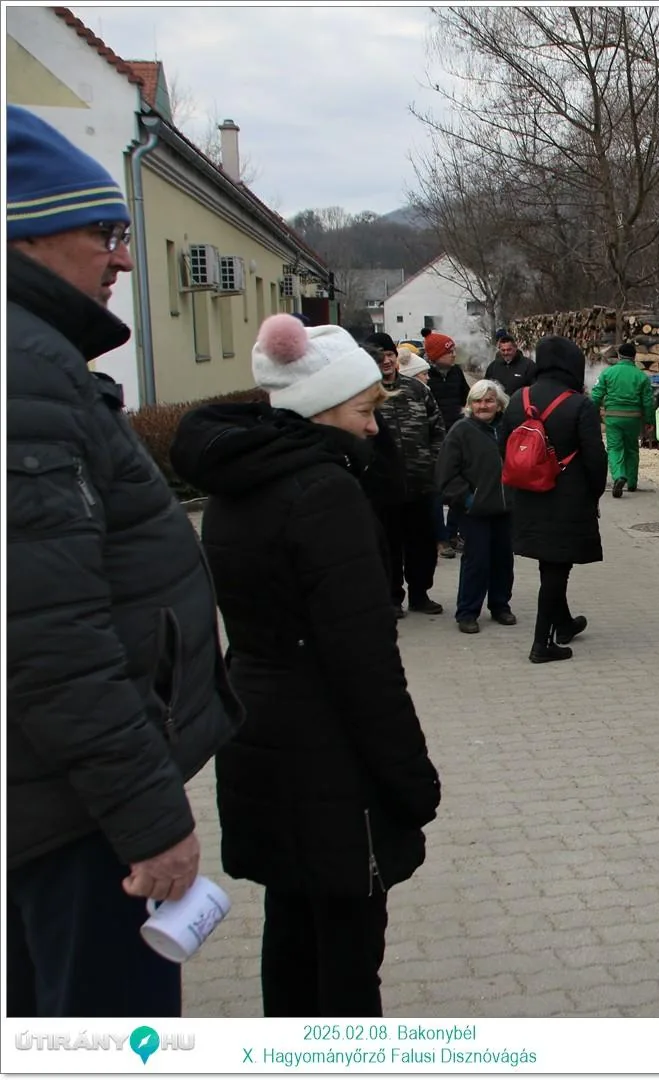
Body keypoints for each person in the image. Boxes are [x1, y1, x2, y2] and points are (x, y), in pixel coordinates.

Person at [6, 104, 242, 1018]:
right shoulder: (24, 373)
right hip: (71, 817)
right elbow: (47, 637)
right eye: (105, 234)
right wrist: (151, 821)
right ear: (24, 235)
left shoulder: (37, 364)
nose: (126, 258)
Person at [169, 313, 441, 1018]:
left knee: (292, 935)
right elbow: (363, 662)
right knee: (348, 956)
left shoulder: (240, 484)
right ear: (322, 410)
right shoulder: (323, 494)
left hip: (261, 735)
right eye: (363, 410)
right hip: (330, 759)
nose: (374, 427)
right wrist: (409, 779)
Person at [508, 337, 606, 664]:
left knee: (549, 563)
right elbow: (595, 459)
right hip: (566, 497)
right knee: (556, 568)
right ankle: (541, 644)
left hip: (525, 494)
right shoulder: (579, 404)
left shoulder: (516, 399)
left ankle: (563, 623)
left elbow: (503, 449)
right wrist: (593, 495)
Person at [364, 333, 447, 618]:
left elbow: (438, 430)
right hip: (382, 489)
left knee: (422, 544)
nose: (386, 360)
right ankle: (391, 597)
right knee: (387, 544)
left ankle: (420, 595)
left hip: (420, 483)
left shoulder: (416, 389)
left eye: (389, 354)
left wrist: (434, 464)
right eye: (379, 356)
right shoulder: (364, 394)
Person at [435, 379, 518, 634]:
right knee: (476, 561)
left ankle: (500, 605)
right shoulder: (461, 431)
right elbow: (446, 475)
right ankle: (468, 611)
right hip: (475, 511)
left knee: (503, 560)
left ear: (499, 403)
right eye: (479, 401)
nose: (484, 405)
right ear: (470, 404)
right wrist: (468, 499)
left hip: (505, 508)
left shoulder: (508, 428)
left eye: (489, 400)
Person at [423, 331, 470, 557]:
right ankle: (439, 538)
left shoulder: (456, 373)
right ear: (435, 355)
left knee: (459, 489)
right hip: (435, 442)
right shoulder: (425, 377)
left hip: (457, 436)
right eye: (448, 351)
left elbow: (466, 398)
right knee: (436, 492)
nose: (453, 355)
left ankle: (453, 533)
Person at [590, 341, 656, 498]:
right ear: (634, 357)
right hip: (633, 419)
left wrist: (592, 415)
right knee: (632, 449)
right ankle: (632, 483)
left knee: (614, 448)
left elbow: (596, 395)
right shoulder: (641, 376)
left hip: (613, 417)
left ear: (619, 356)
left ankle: (619, 476)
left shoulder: (608, 373)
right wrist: (649, 421)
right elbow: (648, 402)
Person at [484, 331, 535, 398]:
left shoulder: (529, 365)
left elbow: (534, 390)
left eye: (509, 350)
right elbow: (485, 387)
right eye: (503, 350)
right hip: (499, 406)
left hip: (519, 406)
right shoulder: (493, 366)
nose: (506, 353)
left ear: (515, 348)